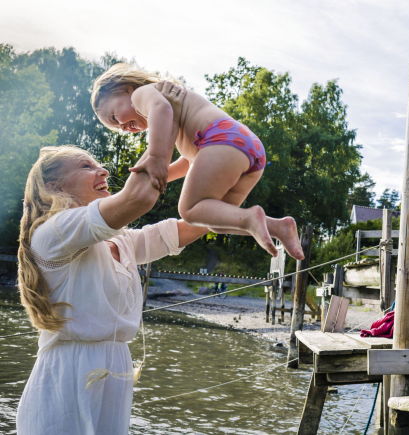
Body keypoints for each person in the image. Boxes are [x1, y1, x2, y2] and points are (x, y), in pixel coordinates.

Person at [16, 145, 209, 434]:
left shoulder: (122, 241)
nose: (103, 171)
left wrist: (220, 164)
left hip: (115, 369)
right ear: (53, 186)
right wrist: (163, 119)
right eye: (86, 166)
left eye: (98, 165)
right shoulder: (52, 232)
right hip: (68, 374)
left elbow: (198, 223)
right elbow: (136, 198)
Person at [90, 64, 304, 260]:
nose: (123, 128)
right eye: (118, 129)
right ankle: (278, 227)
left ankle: (251, 218)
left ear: (125, 89)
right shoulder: (177, 116)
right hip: (245, 148)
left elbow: (161, 110)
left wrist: (156, 157)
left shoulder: (141, 94)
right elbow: (188, 161)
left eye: (115, 118)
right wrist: (161, 175)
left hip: (221, 139)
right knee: (215, 220)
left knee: (190, 210)